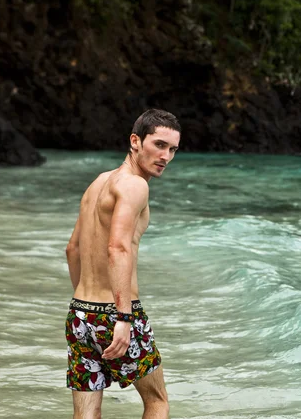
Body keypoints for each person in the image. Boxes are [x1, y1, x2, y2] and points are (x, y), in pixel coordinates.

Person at [64, 108, 181, 419]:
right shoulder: (135, 185)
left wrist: (85, 306)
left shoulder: (98, 183)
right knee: (157, 402)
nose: (165, 156)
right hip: (115, 314)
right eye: (159, 145)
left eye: (172, 149)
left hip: (79, 315)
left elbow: (72, 250)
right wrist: (123, 318)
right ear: (135, 141)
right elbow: (117, 247)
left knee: (86, 414)